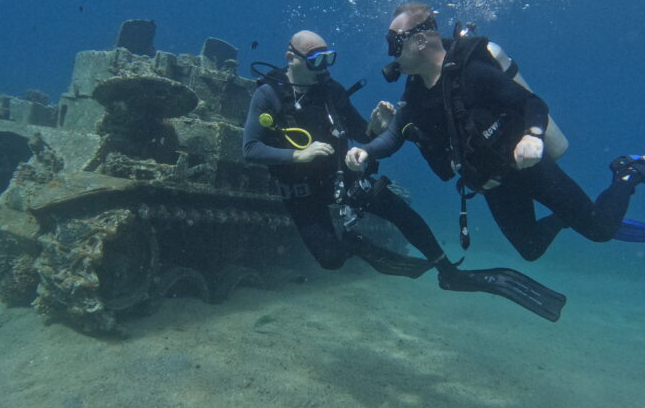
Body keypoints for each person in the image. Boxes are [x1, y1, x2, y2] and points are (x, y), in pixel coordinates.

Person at [345, 2, 645, 261]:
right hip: (492, 183)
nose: (390, 54)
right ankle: (570, 215)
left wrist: (533, 136)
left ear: (419, 39)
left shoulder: (472, 73)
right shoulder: (415, 91)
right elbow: (398, 132)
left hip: (527, 166)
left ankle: (628, 172)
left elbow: (531, 104)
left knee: (601, 231)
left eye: (393, 43)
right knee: (531, 248)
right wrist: (368, 150)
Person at [242, 30, 567, 321]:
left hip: (340, 176)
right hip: (301, 189)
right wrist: (298, 155)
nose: (325, 67)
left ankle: (447, 270)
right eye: (316, 59)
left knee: (401, 212)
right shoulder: (268, 95)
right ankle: (355, 245)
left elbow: (361, 133)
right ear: (292, 58)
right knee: (330, 260)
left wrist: (376, 124)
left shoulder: (332, 91)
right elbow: (251, 149)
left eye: (329, 58)